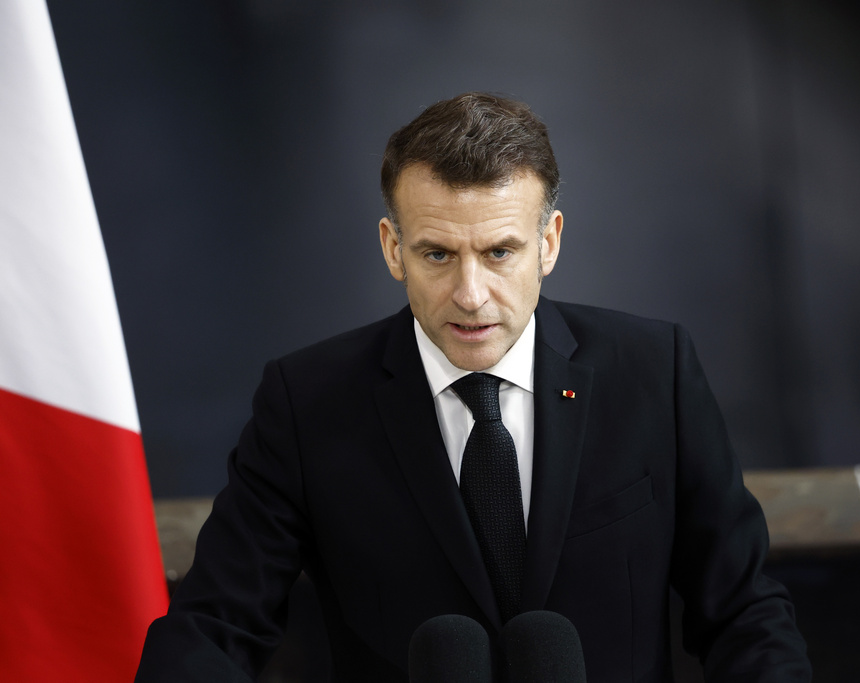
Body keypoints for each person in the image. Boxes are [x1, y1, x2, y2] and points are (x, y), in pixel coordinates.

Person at [136, 92, 811, 682]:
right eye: (437, 253)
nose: (470, 293)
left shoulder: (652, 372)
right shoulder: (306, 402)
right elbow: (216, 626)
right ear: (392, 247)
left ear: (548, 242)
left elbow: (744, 611)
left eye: (499, 252)